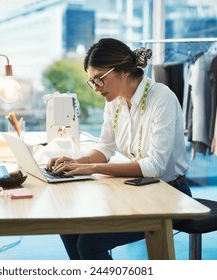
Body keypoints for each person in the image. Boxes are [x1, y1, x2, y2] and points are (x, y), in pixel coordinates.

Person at [46, 38, 192, 260]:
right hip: (139, 190)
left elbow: (155, 166)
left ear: (123, 72)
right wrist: (78, 162)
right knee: (68, 224)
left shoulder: (161, 98)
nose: (96, 89)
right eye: (92, 82)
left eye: (99, 80)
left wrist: (92, 168)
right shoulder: (114, 101)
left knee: (90, 244)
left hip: (170, 194)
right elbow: (105, 148)